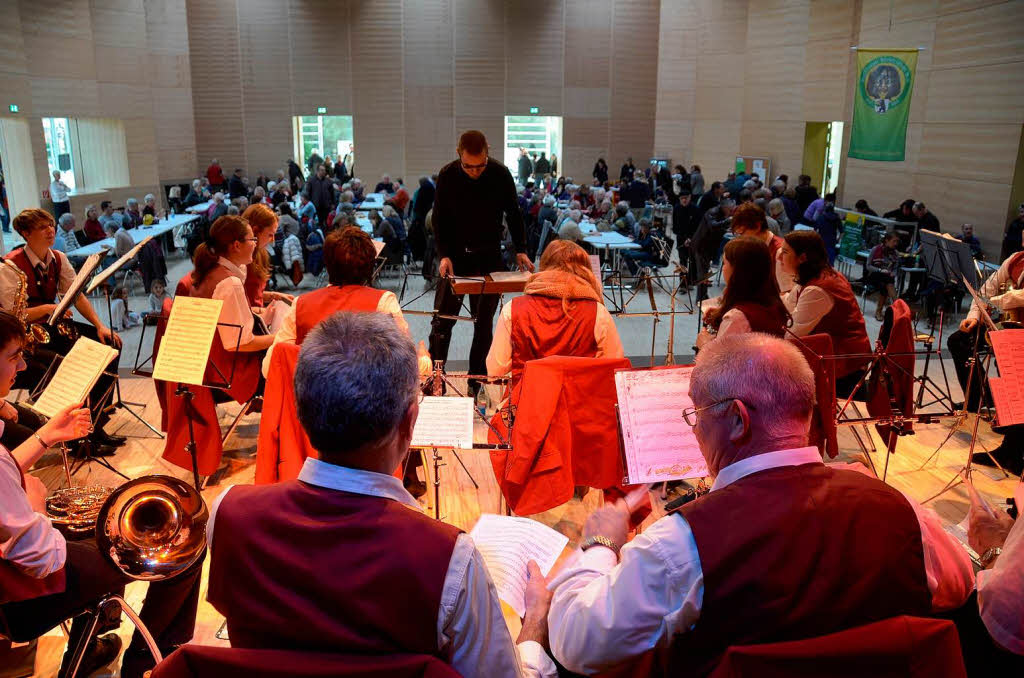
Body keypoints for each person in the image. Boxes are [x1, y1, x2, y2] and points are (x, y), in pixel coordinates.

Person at [546, 333, 974, 675]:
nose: (693, 431)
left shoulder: (681, 545)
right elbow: (961, 585)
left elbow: (577, 643)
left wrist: (601, 540)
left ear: (737, 419)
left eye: (696, 415)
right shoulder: (900, 509)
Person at [211, 312, 556, 677]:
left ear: (300, 412)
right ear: (410, 422)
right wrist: (534, 629)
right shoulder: (451, 559)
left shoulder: (227, 514)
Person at [0, 312, 203, 678]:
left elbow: (4, 472)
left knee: (106, 529)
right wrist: (37, 507)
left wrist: (47, 436)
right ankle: (149, 663)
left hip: (15, 575)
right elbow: (40, 558)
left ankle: (89, 647)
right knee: (178, 548)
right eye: (15, 355)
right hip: (21, 596)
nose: (24, 363)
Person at [0, 209, 125, 452]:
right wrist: (47, 308)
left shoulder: (57, 258)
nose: (50, 231)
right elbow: (11, 315)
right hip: (26, 336)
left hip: (52, 327)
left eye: (51, 225)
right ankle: (76, 439)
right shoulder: (10, 266)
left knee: (109, 347)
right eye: (42, 227)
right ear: (26, 233)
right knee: (64, 365)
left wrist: (100, 326)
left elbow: (76, 295)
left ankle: (96, 423)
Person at [428, 130, 534, 392]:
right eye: (469, 166)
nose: (475, 171)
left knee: (483, 324)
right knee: (442, 321)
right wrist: (443, 255)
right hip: (454, 257)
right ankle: (435, 380)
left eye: (480, 165)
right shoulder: (448, 175)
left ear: (488, 153)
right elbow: (438, 220)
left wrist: (520, 249)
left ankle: (476, 384)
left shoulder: (499, 173)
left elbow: (514, 213)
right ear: (459, 155)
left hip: (488, 256)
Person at [487, 239, 622, 396]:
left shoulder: (513, 309)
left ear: (544, 267)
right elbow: (615, 370)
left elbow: (494, 370)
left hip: (526, 410)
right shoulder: (598, 312)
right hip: (580, 411)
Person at [946, 230, 1024, 474]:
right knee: (959, 340)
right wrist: (974, 316)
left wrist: (997, 302)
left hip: (1018, 334)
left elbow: (1014, 297)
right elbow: (987, 289)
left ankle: (1011, 447)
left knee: (1016, 374)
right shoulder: (1015, 259)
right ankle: (983, 399)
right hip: (1011, 329)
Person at [189, 215, 275, 406]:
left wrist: (259, 316)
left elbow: (227, 318)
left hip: (208, 365)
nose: (255, 243)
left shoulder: (209, 271)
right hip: (229, 374)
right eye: (252, 239)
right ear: (236, 245)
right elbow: (238, 344)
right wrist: (279, 337)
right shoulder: (229, 282)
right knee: (293, 363)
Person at [780, 230, 871, 396]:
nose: (779, 258)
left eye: (785, 252)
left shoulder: (817, 289)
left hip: (844, 367)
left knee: (769, 370)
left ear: (803, 258)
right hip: (839, 358)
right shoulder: (816, 276)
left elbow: (791, 336)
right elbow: (787, 305)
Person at [697, 237, 790, 349]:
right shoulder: (775, 303)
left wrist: (705, 343)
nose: (723, 269)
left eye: (725, 263)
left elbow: (718, 362)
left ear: (737, 271)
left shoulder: (738, 317)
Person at [242, 204, 293, 309]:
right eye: (270, 235)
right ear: (255, 231)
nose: (273, 240)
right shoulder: (242, 259)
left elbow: (254, 295)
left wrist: (274, 296)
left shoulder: (260, 253)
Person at [729, 202, 788, 291]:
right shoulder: (751, 247)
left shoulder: (780, 252)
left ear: (757, 226)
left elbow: (786, 294)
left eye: (742, 233)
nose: (740, 238)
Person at [691, 198, 736, 301]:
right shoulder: (713, 212)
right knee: (702, 273)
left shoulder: (720, 213)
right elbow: (713, 226)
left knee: (705, 272)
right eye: (730, 210)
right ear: (725, 207)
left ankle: (703, 295)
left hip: (708, 246)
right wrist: (727, 221)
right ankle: (700, 298)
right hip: (701, 246)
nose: (730, 212)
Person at [865, 231, 902, 321]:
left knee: (886, 283)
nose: (896, 244)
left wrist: (893, 273)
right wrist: (880, 270)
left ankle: (880, 311)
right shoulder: (876, 249)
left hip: (886, 279)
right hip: (874, 276)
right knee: (887, 282)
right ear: (886, 240)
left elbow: (895, 269)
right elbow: (868, 266)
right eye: (894, 241)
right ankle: (898, 307)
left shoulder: (895, 254)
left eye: (897, 241)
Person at [812, 196, 843, 264]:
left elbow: (815, 230)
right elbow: (842, 231)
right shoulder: (837, 218)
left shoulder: (821, 217)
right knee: (830, 262)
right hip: (832, 241)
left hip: (821, 240)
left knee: (820, 261)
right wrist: (838, 239)